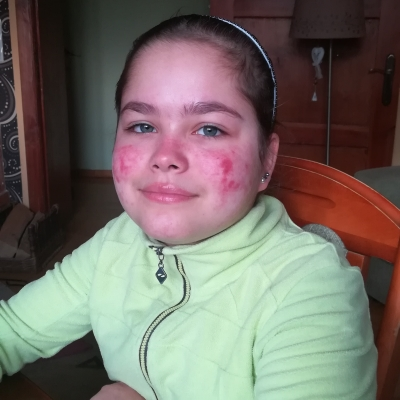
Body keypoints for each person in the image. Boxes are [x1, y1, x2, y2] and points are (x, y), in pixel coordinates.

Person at [0, 14, 376, 400]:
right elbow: (11, 330)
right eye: (143, 126)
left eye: (209, 128)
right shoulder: (116, 241)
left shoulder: (313, 290)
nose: (165, 156)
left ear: (266, 159)